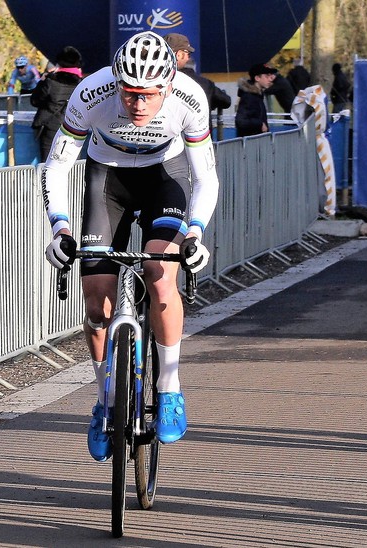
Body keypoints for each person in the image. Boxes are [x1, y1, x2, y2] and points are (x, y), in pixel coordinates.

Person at [40, 31, 219, 461]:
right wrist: (60, 228)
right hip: (109, 180)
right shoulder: (90, 92)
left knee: (161, 276)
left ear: (168, 86)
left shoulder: (190, 98)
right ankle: (105, 397)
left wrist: (194, 233)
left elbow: (206, 176)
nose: (138, 104)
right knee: (96, 302)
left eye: (148, 95)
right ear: (116, 82)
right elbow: (58, 164)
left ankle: (170, 387)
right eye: (130, 93)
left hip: (165, 177)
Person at [163, 33, 231, 134]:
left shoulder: (151, 80)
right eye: (187, 54)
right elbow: (226, 101)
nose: (187, 58)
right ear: (178, 55)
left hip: (159, 142)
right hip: (197, 141)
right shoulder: (204, 83)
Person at [30, 46, 83, 163]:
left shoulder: (50, 81)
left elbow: (35, 101)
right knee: (72, 165)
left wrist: (41, 82)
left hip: (49, 128)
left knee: (47, 164)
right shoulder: (81, 84)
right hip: (73, 129)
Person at [235, 63, 278, 137]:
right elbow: (240, 122)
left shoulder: (258, 96)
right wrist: (260, 124)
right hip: (250, 144)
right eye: (266, 76)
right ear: (257, 78)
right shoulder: (249, 97)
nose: (270, 79)